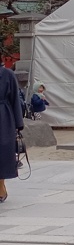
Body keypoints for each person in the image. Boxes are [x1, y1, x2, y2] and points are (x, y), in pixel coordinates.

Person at [0, 64, 23, 203]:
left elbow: (15, 98)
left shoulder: (8, 74)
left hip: (4, 118)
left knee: (2, 153)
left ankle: (1, 186)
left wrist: (18, 123)